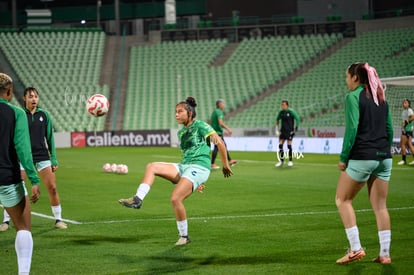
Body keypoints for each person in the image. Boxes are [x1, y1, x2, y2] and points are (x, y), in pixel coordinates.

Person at [119, 97, 233, 245]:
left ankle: (184, 237)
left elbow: (219, 142)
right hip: (184, 167)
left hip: (199, 167)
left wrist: (225, 164)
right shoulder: (182, 132)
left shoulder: (201, 126)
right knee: (152, 166)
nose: (176, 115)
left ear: (190, 113)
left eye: (180, 111)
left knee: (175, 198)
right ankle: (137, 199)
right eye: (175, 112)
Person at [335, 63, 393, 265]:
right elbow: (390, 129)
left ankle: (356, 248)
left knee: (343, 200)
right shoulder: (380, 97)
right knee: (380, 207)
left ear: (355, 78)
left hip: (363, 155)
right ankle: (384, 254)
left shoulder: (352, 97)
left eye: (347, 76)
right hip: (384, 157)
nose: (346, 80)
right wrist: (384, 150)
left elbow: (352, 128)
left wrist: (344, 157)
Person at [0, 87, 67, 230]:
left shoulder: (44, 115)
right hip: (23, 158)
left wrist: (53, 158)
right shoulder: (18, 114)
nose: (34, 99)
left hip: (42, 156)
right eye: (30, 96)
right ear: (24, 98)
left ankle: (58, 219)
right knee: (16, 189)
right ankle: (6, 221)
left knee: (53, 188)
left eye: (36, 96)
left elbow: (50, 138)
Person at [0, 73, 41, 274]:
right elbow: (23, 150)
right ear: (9, 91)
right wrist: (33, 179)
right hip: (7, 179)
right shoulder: (16, 113)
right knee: (23, 227)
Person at [210, 99, 237, 170]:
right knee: (217, 147)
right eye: (223, 104)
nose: (224, 105)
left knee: (223, 146)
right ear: (219, 104)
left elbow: (211, 122)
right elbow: (220, 123)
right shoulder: (219, 112)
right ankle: (212, 164)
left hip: (214, 132)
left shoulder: (214, 112)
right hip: (217, 133)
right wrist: (228, 129)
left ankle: (230, 160)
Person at [274, 100, 300, 167]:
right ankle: (281, 161)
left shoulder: (291, 112)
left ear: (287, 105)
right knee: (280, 146)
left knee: (289, 146)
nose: (283, 106)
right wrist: (276, 129)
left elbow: (297, 118)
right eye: (282, 104)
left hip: (289, 131)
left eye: (284, 105)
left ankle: (290, 161)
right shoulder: (281, 112)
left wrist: (296, 128)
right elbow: (277, 119)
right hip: (282, 131)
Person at [397, 98, 414, 165]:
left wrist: (406, 123)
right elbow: (404, 121)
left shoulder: (409, 110)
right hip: (406, 129)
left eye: (406, 103)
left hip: (408, 129)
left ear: (409, 104)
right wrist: (403, 125)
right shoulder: (404, 111)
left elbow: (412, 117)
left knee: (402, 144)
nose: (404, 104)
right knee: (409, 144)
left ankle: (403, 160)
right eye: (403, 102)